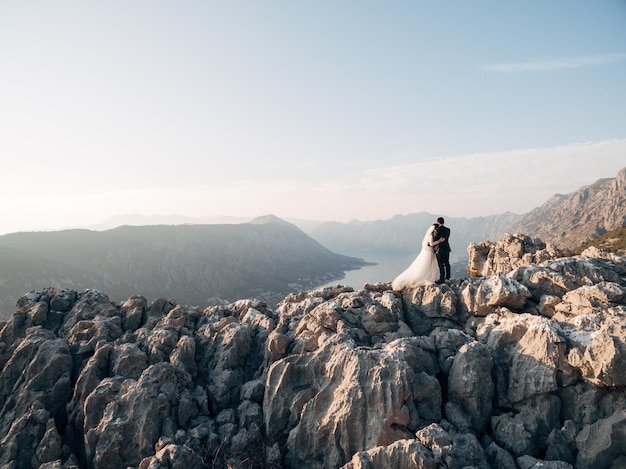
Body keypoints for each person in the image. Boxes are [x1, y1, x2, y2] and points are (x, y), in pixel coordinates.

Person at [391, 223, 440, 290]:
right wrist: (439, 241)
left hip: (428, 251)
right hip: (429, 252)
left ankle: (427, 277)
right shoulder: (430, 236)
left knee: (427, 265)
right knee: (427, 265)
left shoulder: (430, 235)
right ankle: (426, 277)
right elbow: (431, 244)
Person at [431, 217, 451, 284]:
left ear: (437, 222)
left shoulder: (436, 230)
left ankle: (442, 279)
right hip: (446, 248)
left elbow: (435, 240)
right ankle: (448, 276)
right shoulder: (448, 230)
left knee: (441, 264)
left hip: (439, 250)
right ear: (443, 222)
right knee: (447, 263)